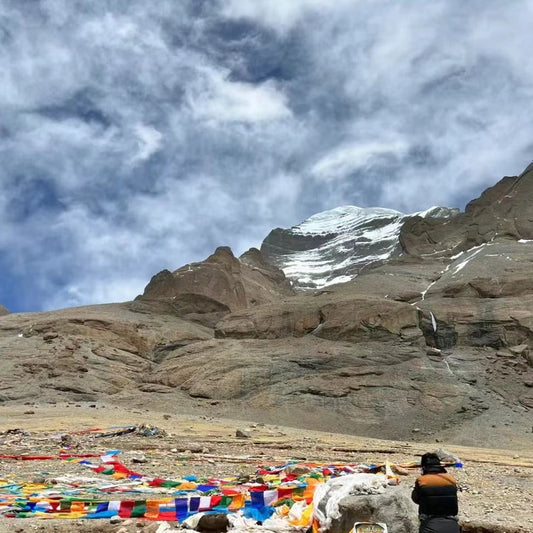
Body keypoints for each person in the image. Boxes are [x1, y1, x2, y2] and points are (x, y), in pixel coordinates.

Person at [411, 452, 460, 533]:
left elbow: (415, 498)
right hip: (453, 526)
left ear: (424, 467)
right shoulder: (451, 479)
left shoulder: (422, 480)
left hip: (430, 526)